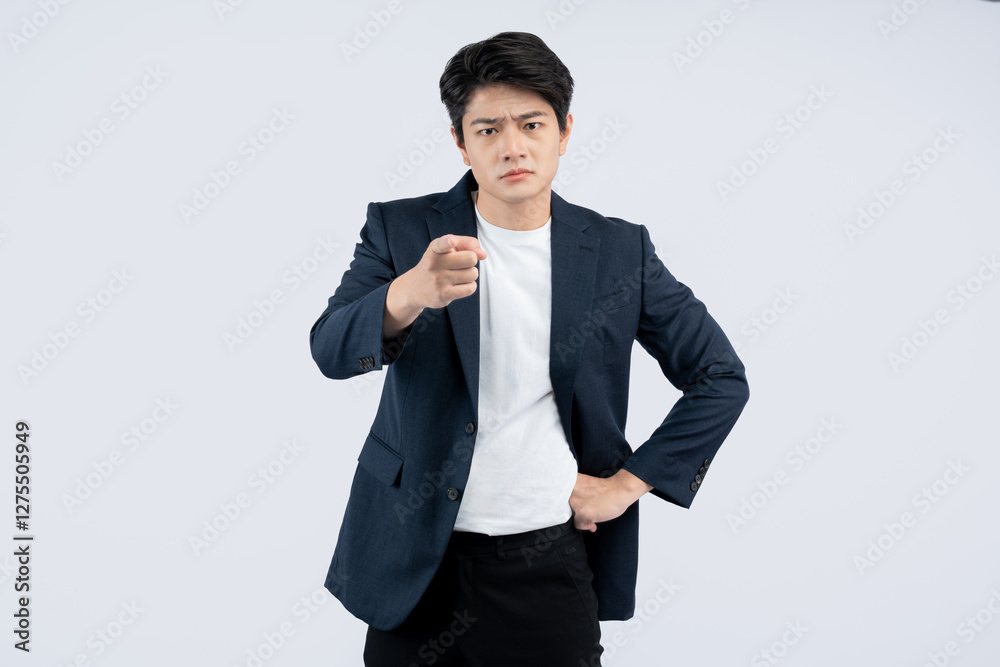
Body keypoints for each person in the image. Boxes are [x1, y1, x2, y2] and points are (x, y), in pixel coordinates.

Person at [309, 30, 750, 667]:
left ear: (564, 131)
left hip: (545, 566)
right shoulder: (401, 230)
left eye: (530, 123)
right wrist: (407, 293)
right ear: (460, 142)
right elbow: (328, 349)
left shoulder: (618, 250)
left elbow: (719, 376)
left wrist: (626, 485)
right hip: (415, 563)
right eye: (487, 129)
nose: (512, 146)